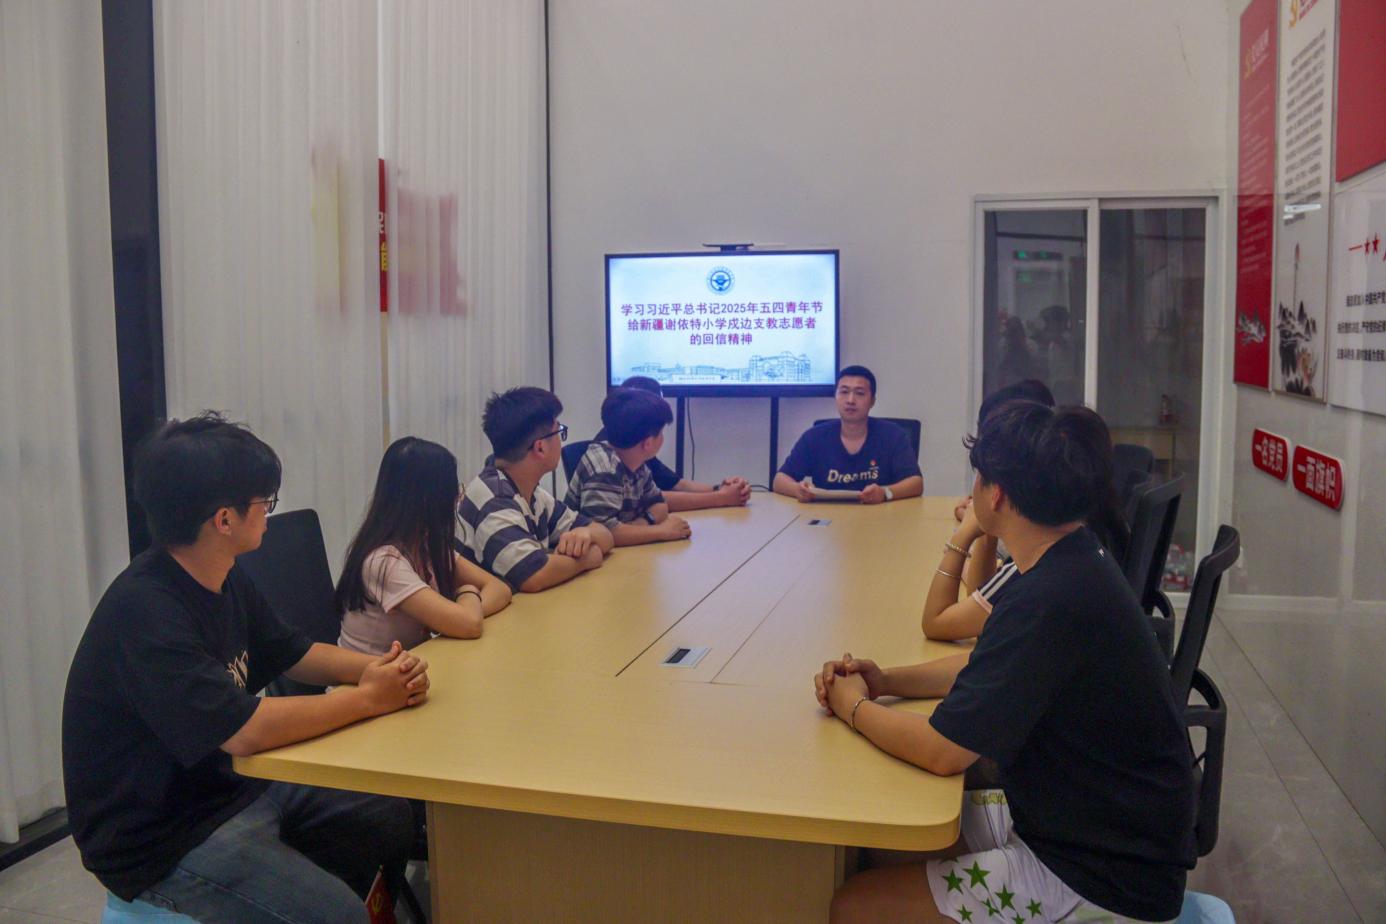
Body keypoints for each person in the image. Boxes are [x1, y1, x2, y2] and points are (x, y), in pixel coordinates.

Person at [815, 402, 1195, 924]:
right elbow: (986, 662)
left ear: (995, 494)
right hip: (1080, 822)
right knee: (888, 842)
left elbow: (943, 752)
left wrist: (852, 707)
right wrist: (885, 681)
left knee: (854, 906)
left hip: (1100, 875)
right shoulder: (1067, 558)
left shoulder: (1047, 598)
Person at [62, 413, 425, 924]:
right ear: (224, 520)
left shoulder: (221, 575)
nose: (269, 513)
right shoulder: (146, 612)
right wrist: (369, 698)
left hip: (229, 787)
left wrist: (379, 670)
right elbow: (245, 731)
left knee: (386, 815)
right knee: (339, 916)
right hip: (160, 837)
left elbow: (292, 651)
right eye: (264, 502)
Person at [924, 381, 1130, 641]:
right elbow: (984, 602)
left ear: (997, 492)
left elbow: (936, 623)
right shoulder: (1072, 545)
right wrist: (989, 527)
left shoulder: (1034, 584)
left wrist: (962, 535)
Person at [336, 436, 511, 654]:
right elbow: (470, 625)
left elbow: (500, 589)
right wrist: (467, 594)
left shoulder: (424, 544)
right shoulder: (383, 561)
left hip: (416, 663)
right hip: (370, 672)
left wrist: (462, 612)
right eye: (453, 491)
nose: (457, 498)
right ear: (430, 500)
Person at [458, 387, 614, 592]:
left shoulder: (533, 493)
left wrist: (586, 533)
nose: (561, 440)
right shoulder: (494, 499)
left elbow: (605, 534)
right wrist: (586, 559)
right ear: (540, 447)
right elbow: (532, 576)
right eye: (559, 432)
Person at [773, 365, 923, 504]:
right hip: (827, 517)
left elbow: (916, 483)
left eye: (859, 393)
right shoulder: (815, 437)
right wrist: (798, 490)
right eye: (844, 392)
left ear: (872, 401)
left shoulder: (892, 435)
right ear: (836, 397)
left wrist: (885, 493)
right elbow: (779, 480)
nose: (850, 400)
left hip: (879, 514)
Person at [599, 376, 752, 510]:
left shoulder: (635, 450)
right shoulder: (606, 464)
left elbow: (676, 484)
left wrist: (723, 489)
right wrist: (721, 498)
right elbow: (656, 500)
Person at [566, 387, 692, 547]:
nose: (662, 438)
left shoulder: (638, 464)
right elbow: (603, 533)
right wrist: (662, 531)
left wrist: (640, 525)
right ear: (648, 443)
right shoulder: (604, 469)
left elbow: (660, 505)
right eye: (660, 433)